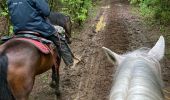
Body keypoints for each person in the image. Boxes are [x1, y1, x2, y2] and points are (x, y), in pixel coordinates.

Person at [7, 0, 74, 66]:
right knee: (59, 39)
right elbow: (46, 12)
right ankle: (70, 62)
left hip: (18, 29)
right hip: (37, 26)